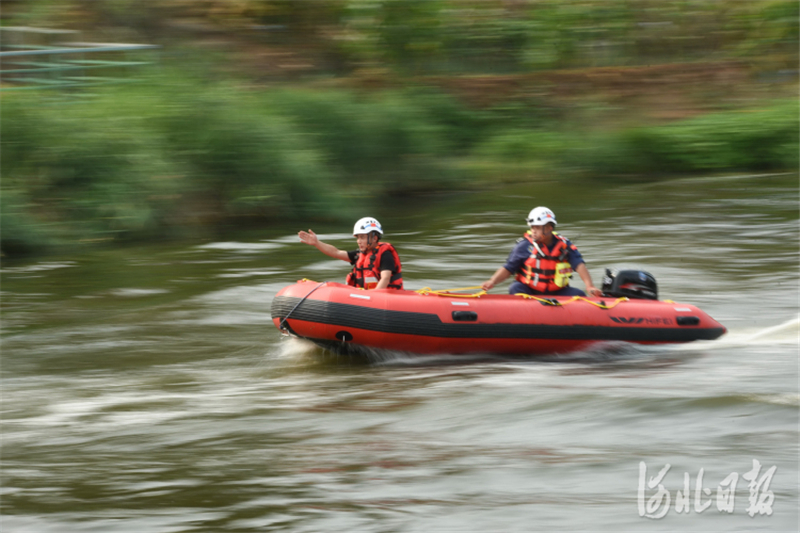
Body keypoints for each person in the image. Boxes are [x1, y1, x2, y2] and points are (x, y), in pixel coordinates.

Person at [481, 207, 602, 297]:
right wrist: (492, 281)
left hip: (557, 292)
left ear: (549, 228)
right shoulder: (524, 246)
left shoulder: (564, 245)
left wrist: (589, 285)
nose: (533, 231)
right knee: (515, 287)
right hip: (530, 290)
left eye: (538, 227)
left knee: (579, 294)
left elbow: (579, 265)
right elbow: (508, 268)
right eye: (532, 227)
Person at [298, 217, 403, 290]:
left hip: (385, 297)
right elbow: (336, 252)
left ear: (374, 238)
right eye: (357, 238)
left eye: (362, 237)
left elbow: (385, 277)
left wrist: (374, 298)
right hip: (367, 297)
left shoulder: (385, 254)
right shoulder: (359, 255)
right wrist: (317, 243)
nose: (358, 241)